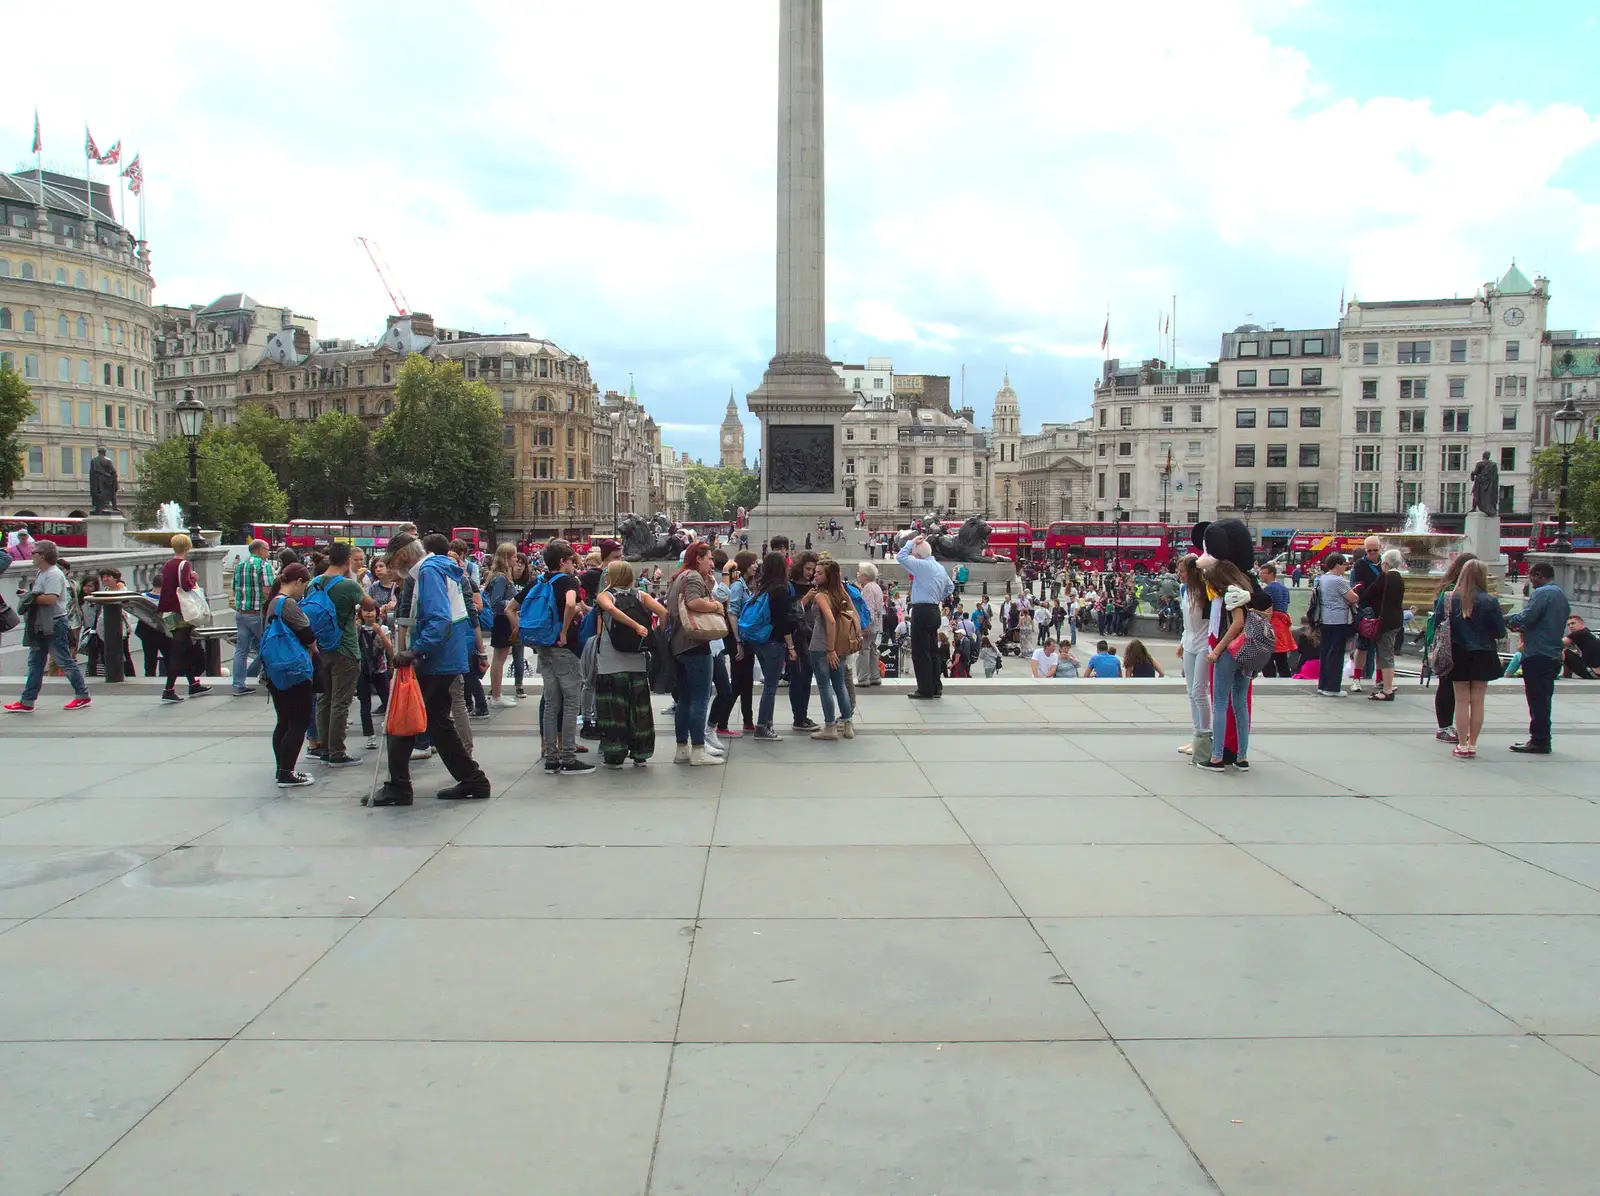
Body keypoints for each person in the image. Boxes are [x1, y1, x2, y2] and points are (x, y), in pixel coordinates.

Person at [373, 533, 492, 806]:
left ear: (403, 556)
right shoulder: (436, 567)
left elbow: (439, 619)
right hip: (446, 656)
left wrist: (416, 650)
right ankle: (473, 780)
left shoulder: (427, 572)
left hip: (437, 658)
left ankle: (399, 786)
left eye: (392, 563)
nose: (392, 570)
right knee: (438, 722)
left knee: (403, 717)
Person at [593, 559, 666, 767]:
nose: (606, 576)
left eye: (608, 573)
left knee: (613, 709)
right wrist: (654, 634)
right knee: (639, 708)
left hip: (611, 660)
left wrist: (635, 626)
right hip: (637, 661)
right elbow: (664, 612)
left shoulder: (605, 595)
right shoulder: (640, 595)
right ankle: (641, 753)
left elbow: (611, 610)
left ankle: (615, 755)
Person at [5, 540, 92, 713]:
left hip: (53, 623)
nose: (31, 555)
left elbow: (51, 599)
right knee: (35, 662)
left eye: (34, 553)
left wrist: (29, 598)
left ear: (42, 556)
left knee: (64, 661)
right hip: (41, 624)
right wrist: (30, 595)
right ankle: (27, 701)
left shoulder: (53, 574)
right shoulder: (42, 573)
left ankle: (82, 695)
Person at [307, 543, 370, 766]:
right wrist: (357, 581)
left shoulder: (313, 583)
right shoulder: (347, 585)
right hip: (345, 648)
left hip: (321, 647)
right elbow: (370, 604)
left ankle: (323, 747)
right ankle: (337, 751)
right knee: (340, 703)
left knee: (324, 699)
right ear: (346, 562)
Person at [536, 539, 593, 775]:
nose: (574, 565)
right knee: (571, 703)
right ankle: (568, 757)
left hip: (543, 648)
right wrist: (563, 630)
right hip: (564, 648)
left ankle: (551, 757)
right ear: (562, 562)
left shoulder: (540, 580)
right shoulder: (567, 580)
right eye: (571, 561)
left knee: (551, 703)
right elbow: (571, 604)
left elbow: (511, 608)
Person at [665, 541, 724, 765]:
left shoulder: (678, 577)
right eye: (709, 558)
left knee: (686, 699)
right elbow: (694, 602)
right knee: (701, 698)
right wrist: (716, 606)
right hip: (694, 643)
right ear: (698, 558)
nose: (712, 563)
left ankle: (682, 748)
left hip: (678, 645)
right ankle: (699, 749)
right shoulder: (692, 577)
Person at [260, 564, 318, 787]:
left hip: (275, 670)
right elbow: (307, 634)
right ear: (298, 582)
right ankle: (287, 772)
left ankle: (281, 768)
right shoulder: (288, 604)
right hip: (294, 669)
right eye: (304, 585)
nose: (303, 591)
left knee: (283, 720)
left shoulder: (272, 602)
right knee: (299, 721)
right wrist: (314, 648)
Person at [1198, 557, 1258, 772]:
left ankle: (1216, 757)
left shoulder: (1231, 592)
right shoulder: (1246, 589)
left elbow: (1237, 624)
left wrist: (1217, 650)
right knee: (1240, 703)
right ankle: (1242, 757)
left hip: (1230, 651)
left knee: (1221, 703)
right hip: (1248, 652)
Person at [1504, 561, 1570, 754]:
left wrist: (1506, 619)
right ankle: (1541, 738)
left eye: (1531, 576)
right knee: (1544, 697)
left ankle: (1539, 740)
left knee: (1537, 699)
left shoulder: (1543, 593)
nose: (1529, 581)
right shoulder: (1560, 595)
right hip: (1552, 653)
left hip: (1538, 653)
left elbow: (1528, 616)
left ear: (1540, 575)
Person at [1445, 557, 1507, 759]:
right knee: (1478, 700)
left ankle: (1461, 744)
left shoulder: (1450, 598)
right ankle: (1473, 743)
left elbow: (1440, 625)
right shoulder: (1491, 601)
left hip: (1458, 652)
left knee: (1461, 700)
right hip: (1484, 652)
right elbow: (1500, 632)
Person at [802, 559, 856, 740]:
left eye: (819, 573)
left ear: (828, 576)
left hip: (821, 646)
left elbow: (831, 620)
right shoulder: (841, 592)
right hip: (839, 646)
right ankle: (847, 724)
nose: (814, 575)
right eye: (814, 572)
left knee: (825, 686)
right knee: (840, 684)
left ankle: (830, 726)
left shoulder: (821, 596)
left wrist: (830, 649)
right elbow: (853, 614)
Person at [1427, 552, 1477, 743]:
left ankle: (1452, 725)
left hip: (1455, 642)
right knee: (1447, 685)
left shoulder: (1454, 588)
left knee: (1454, 686)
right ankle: (1444, 726)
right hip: (1450, 643)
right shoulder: (1451, 590)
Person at [752, 551, 801, 743]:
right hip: (775, 641)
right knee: (770, 687)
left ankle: (767, 724)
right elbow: (783, 623)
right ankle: (762, 726)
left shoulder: (761, 587)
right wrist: (791, 647)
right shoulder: (780, 590)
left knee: (769, 684)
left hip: (760, 641)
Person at [898, 535, 953, 700]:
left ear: (918, 555)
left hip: (921, 610)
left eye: (914, 554)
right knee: (932, 650)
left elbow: (901, 557)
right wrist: (937, 597)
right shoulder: (939, 567)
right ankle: (936, 687)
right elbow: (950, 587)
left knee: (920, 652)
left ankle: (925, 689)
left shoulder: (921, 565)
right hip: (935, 609)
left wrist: (911, 542)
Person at [156, 533, 209, 702]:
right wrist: (193, 578)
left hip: (169, 611)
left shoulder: (168, 564)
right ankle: (169, 689)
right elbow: (185, 586)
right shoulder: (184, 564)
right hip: (182, 612)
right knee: (178, 651)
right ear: (187, 547)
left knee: (184, 648)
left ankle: (193, 684)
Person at [715, 551, 760, 735]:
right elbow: (732, 613)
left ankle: (748, 721)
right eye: (753, 563)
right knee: (737, 683)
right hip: (737, 639)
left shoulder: (747, 585)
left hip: (745, 638)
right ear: (744, 565)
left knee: (747, 681)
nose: (756, 566)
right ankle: (721, 722)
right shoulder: (737, 587)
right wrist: (738, 641)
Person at [1174, 554, 1212, 756]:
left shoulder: (1206, 591)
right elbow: (1186, 621)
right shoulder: (1183, 590)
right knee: (1191, 692)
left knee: (1199, 690)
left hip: (1204, 643)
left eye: (1182, 571)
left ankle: (1205, 736)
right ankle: (1197, 735)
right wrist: (1182, 641)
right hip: (1189, 642)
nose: (1178, 574)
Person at [231, 539, 275, 696]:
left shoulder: (239, 566)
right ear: (260, 549)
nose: (268, 553)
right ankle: (268, 678)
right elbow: (268, 590)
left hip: (241, 613)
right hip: (257, 614)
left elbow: (234, 587)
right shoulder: (263, 565)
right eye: (268, 549)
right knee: (269, 645)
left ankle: (238, 685)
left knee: (241, 650)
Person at [1313, 552, 1360, 697]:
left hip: (1324, 619)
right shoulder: (1338, 581)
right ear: (1337, 564)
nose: (1346, 567)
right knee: (1336, 654)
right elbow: (1353, 598)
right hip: (1338, 620)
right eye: (1344, 564)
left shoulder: (1322, 579)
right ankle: (1332, 688)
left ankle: (1323, 685)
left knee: (1326, 652)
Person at [1365, 548, 1407, 701]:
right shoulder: (1399, 578)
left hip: (1386, 621)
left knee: (1385, 655)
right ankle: (1388, 684)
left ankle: (1387, 689)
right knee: (1388, 653)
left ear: (1386, 563)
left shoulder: (1387, 577)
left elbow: (1370, 592)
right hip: (1396, 620)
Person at [784, 552, 820, 730]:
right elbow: (790, 614)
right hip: (795, 637)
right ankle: (798, 717)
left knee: (807, 676)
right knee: (797, 677)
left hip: (812, 635)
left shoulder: (815, 586)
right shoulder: (789, 586)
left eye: (813, 569)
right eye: (807, 569)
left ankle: (803, 715)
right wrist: (806, 599)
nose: (810, 572)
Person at [483, 543, 520, 708]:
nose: (516, 559)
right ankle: (496, 696)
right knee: (499, 658)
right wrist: (514, 603)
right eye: (513, 556)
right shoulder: (500, 578)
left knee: (501, 658)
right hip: (502, 620)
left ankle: (497, 694)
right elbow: (495, 602)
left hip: (502, 619)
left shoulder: (501, 576)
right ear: (506, 558)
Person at [1349, 536, 1383, 693]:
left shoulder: (1386, 563)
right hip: (1366, 610)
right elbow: (1356, 588)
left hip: (1383, 609)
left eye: (1375, 550)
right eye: (1369, 551)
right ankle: (1357, 679)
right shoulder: (1360, 565)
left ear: (1380, 548)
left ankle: (1380, 679)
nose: (1372, 554)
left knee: (1382, 647)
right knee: (1362, 646)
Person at [356, 605, 393, 750]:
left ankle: (391, 728)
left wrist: (380, 633)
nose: (369, 613)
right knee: (365, 703)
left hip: (380, 670)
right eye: (366, 610)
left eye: (372, 610)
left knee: (387, 700)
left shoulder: (383, 629)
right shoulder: (357, 629)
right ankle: (369, 735)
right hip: (362, 671)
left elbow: (390, 648)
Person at [1258, 563, 1294, 677]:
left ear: (1271, 574)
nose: (1260, 576)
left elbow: (1268, 609)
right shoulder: (1284, 589)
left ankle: (1270, 678)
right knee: (1281, 657)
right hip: (1283, 624)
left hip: (1272, 623)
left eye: (1262, 573)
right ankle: (1286, 678)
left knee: (1267, 656)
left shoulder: (1268, 589)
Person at [855, 562, 884, 688]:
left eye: (859, 572)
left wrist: (865, 625)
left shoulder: (868, 589)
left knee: (863, 650)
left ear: (865, 576)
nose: (857, 574)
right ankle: (875, 676)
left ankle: (863, 678)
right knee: (872, 650)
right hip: (877, 624)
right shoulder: (876, 587)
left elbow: (868, 609)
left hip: (869, 624)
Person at [1564, 615, 1600, 679]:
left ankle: (1556, 674)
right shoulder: (1589, 633)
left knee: (1563, 650)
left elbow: (1558, 643)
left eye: (1573, 623)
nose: (1570, 626)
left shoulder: (1579, 633)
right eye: (1568, 625)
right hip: (1596, 673)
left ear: (1582, 624)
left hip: (1592, 673)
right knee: (1572, 652)